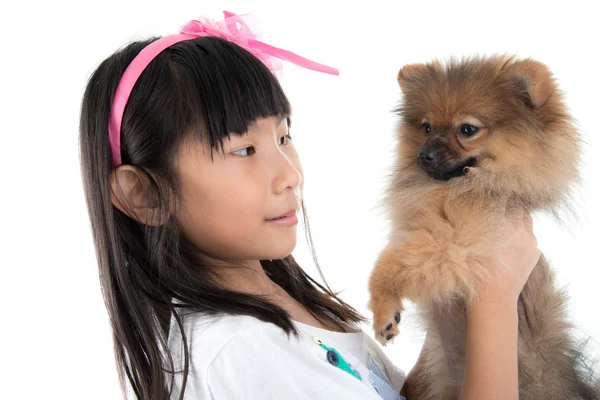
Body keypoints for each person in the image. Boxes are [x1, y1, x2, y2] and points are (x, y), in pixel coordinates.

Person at [79, 11, 540, 400]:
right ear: (145, 194)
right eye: (244, 150)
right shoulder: (240, 351)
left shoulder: (288, 309)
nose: (290, 175)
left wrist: (454, 300)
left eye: (284, 136)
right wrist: (493, 299)